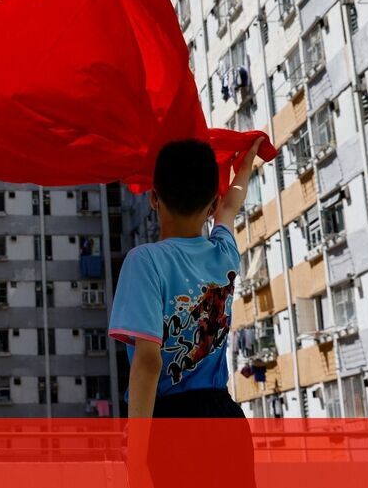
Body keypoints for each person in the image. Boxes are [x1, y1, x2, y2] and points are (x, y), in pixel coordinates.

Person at [108, 137, 263, 488]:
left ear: (153, 198)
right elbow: (231, 206)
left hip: (170, 426)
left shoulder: (146, 261)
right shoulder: (223, 252)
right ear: (211, 205)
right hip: (225, 421)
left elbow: (148, 362)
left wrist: (137, 461)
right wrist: (247, 161)